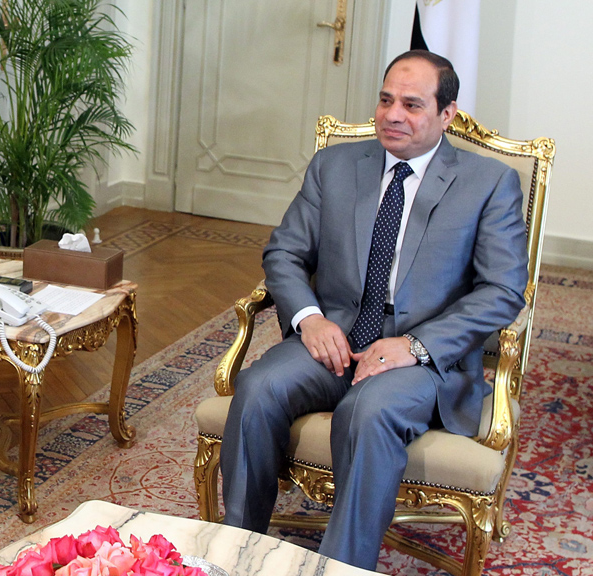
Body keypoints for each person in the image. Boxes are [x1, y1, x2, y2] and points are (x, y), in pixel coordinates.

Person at [220, 50, 529, 570]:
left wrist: (413, 347)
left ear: (446, 114)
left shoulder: (489, 184)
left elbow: (503, 290)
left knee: (366, 410)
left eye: (412, 104)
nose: (392, 114)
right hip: (334, 337)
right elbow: (284, 253)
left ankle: (343, 566)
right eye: (386, 100)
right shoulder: (335, 165)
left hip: (422, 356)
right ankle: (234, 550)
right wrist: (309, 319)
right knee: (257, 388)